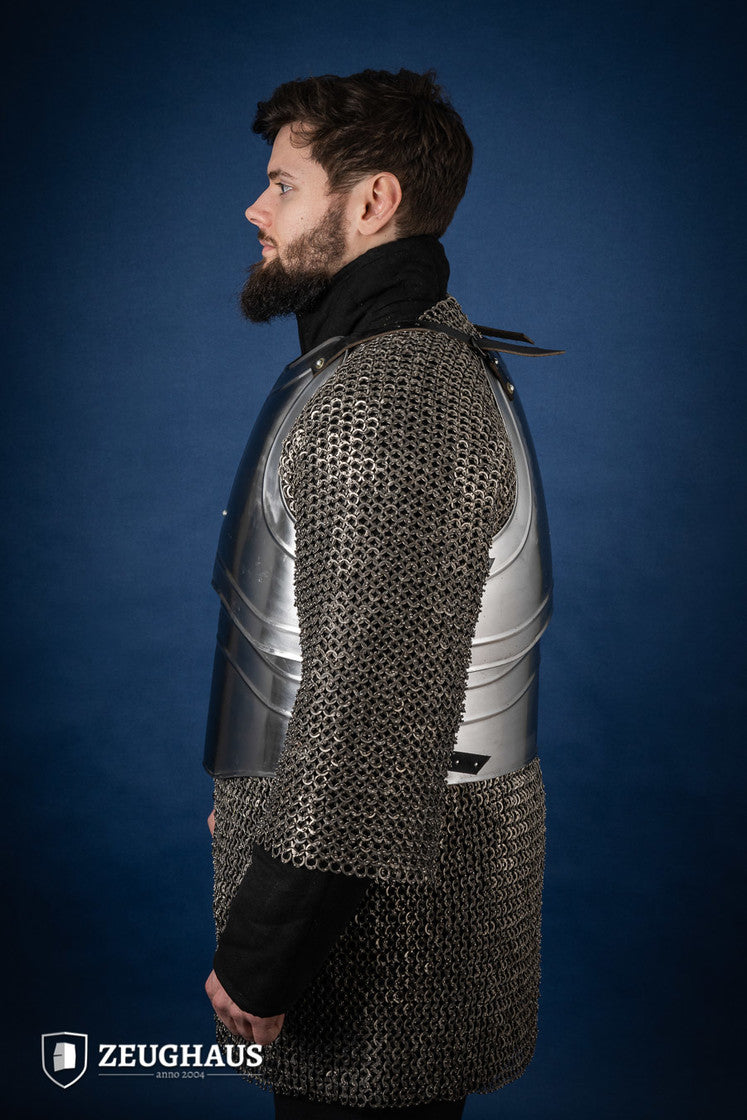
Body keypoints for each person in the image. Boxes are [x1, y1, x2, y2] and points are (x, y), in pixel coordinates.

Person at [203, 68, 557, 1119]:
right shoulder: (377, 366)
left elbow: (370, 727)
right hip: (357, 876)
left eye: (283, 183)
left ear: (372, 202)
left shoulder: (393, 391)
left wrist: (264, 950)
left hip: (377, 931)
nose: (255, 208)